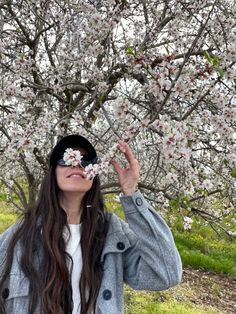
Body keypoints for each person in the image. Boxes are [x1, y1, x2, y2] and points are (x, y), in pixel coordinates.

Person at [0, 134, 182, 314]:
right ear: (53, 172)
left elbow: (166, 275)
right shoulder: (21, 235)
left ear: (94, 175)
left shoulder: (112, 232)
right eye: (66, 158)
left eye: (86, 161)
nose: (76, 162)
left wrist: (131, 194)